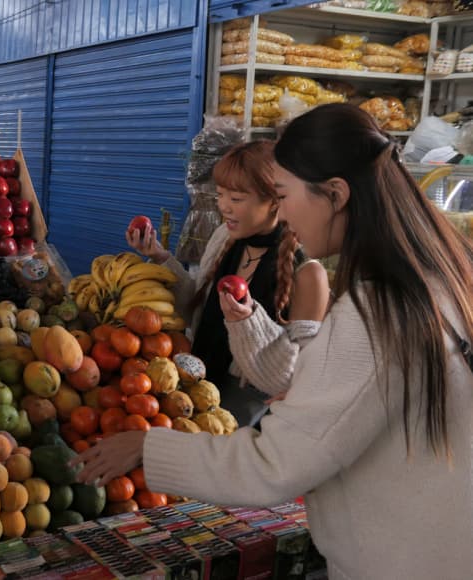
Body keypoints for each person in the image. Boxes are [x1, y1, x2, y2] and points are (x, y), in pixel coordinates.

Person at [76, 103, 473, 578]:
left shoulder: (376, 314)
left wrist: (147, 447)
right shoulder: (437, 278)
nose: (282, 211)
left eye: (282, 195)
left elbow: (273, 464)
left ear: (336, 194)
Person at [127, 140, 328, 425]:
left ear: (274, 200)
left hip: (248, 411)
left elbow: (294, 376)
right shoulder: (225, 238)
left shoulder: (308, 273)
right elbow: (195, 306)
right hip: (193, 382)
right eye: (221, 195)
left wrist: (247, 323)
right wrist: (160, 257)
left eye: (236, 199)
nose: (224, 207)